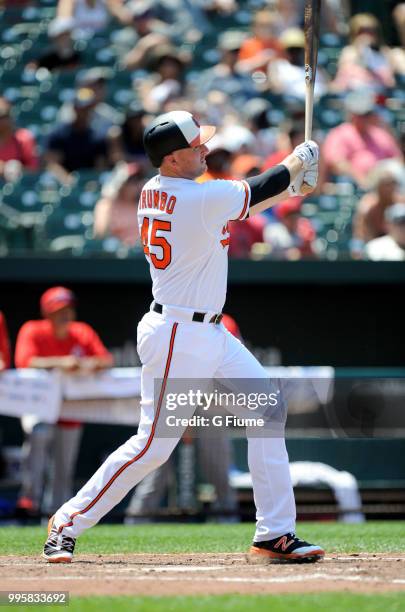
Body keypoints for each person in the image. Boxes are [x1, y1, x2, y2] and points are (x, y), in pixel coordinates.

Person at [43, 110, 324, 564]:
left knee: (268, 409)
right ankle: (68, 521)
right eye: (196, 147)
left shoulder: (159, 190)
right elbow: (253, 190)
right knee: (154, 445)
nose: (205, 150)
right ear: (172, 159)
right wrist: (296, 161)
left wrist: (292, 186)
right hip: (178, 333)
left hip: (206, 330)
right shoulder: (196, 197)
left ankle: (275, 533)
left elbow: (243, 202)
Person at [15, 287, 113, 515]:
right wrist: (62, 363)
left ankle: (56, 516)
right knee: (37, 441)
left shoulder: (81, 331)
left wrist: (88, 365)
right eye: (59, 310)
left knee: (64, 466)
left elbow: (105, 359)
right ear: (47, 313)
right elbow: (25, 362)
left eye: (68, 309)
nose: (65, 315)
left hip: (70, 407)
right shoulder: (33, 330)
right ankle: (29, 502)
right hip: (39, 404)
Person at [321, 90, 403, 189]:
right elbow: (336, 162)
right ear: (352, 115)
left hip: (385, 184)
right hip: (357, 186)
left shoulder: (379, 133)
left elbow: (398, 159)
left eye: (368, 114)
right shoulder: (339, 133)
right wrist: (359, 177)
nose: (366, 118)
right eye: (362, 115)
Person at [45, 88, 111, 184]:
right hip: (63, 183)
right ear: (74, 108)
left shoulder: (98, 136)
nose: (84, 111)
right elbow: (53, 164)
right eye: (81, 108)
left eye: (88, 108)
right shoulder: (59, 133)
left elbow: (100, 168)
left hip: (89, 184)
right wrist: (68, 181)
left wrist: (91, 182)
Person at [93, 162, 145, 246]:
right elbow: (101, 235)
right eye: (131, 180)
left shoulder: (145, 204)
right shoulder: (106, 205)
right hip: (117, 255)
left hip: (142, 253)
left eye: (138, 179)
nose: (135, 184)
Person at [353, 160, 405, 244]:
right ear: (378, 185)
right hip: (374, 247)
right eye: (387, 183)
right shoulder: (369, 205)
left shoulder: (401, 203)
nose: (391, 187)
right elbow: (362, 235)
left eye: (393, 183)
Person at [0, 97, 39, 178]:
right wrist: (4, 167)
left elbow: (33, 169)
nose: (4, 120)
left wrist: (20, 169)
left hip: (15, 185)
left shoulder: (23, 137)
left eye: (5, 116)